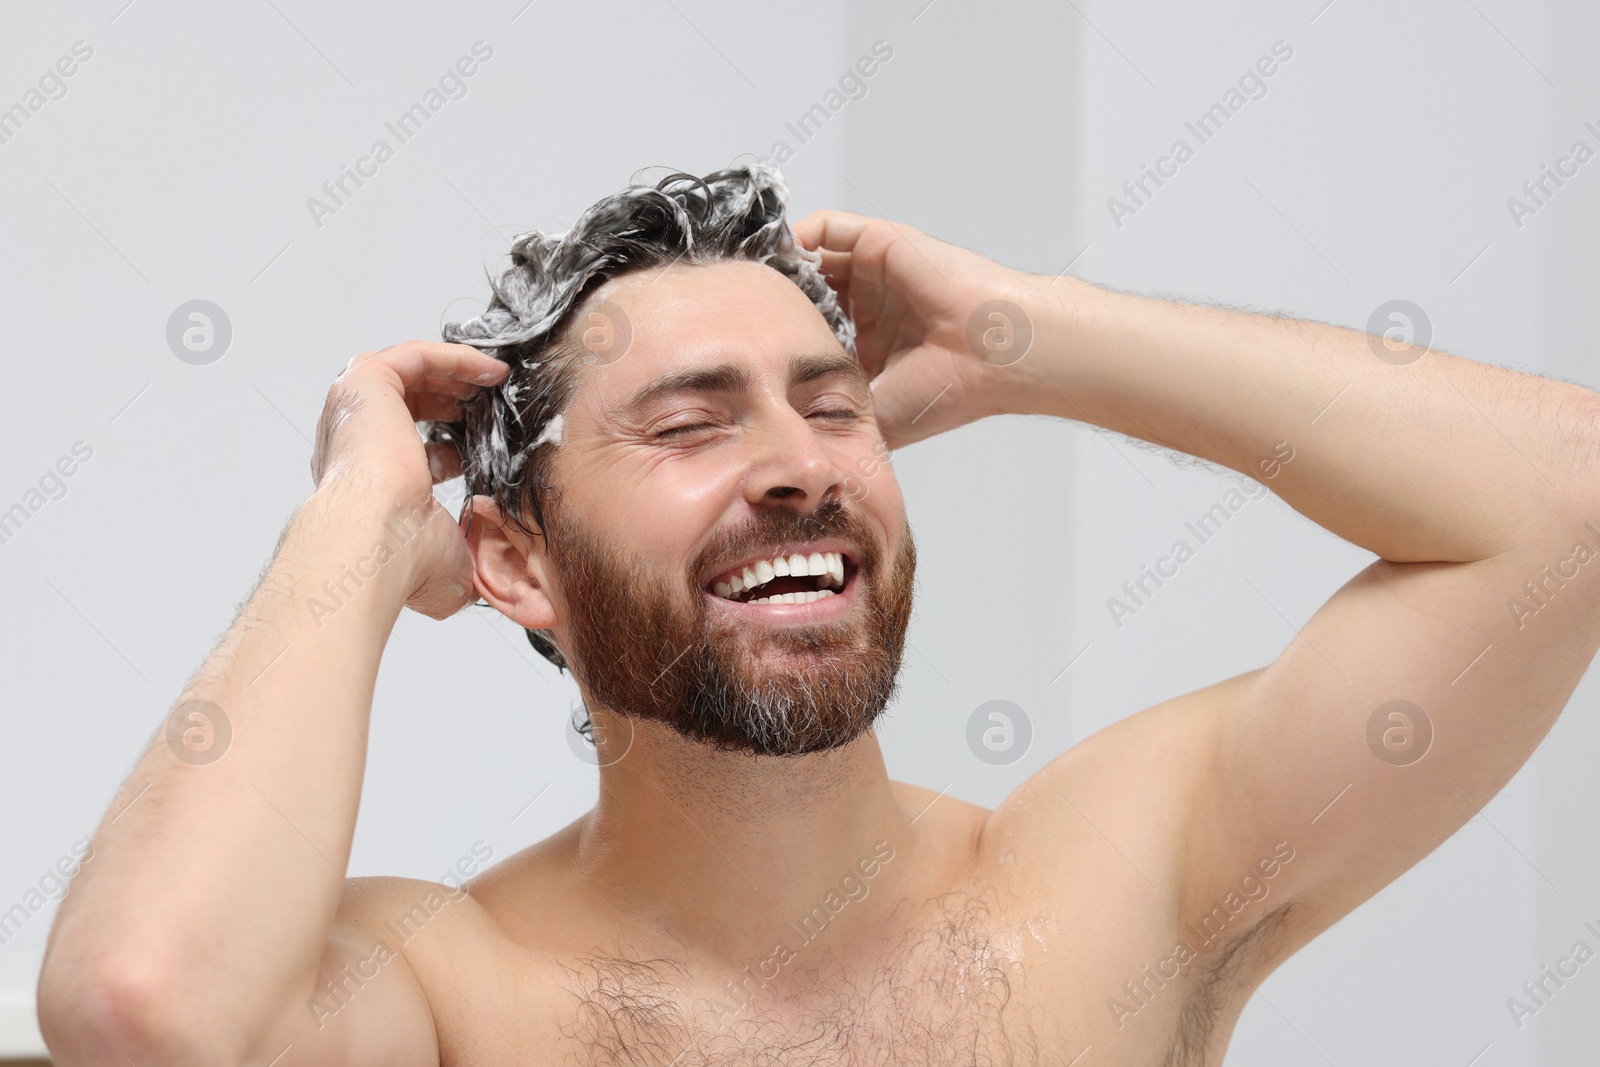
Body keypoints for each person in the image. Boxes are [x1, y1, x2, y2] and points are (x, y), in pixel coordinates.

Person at [37, 162, 1600, 1066]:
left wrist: (1024, 336)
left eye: (834, 407)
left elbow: (1566, 507)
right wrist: (363, 521)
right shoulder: (454, 995)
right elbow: (146, 1008)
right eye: (693, 421)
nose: (799, 467)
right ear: (515, 564)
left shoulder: (1118, 891)